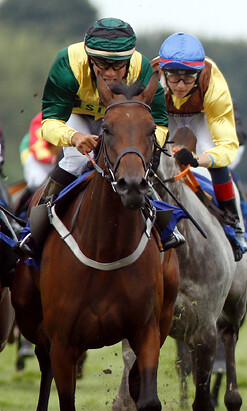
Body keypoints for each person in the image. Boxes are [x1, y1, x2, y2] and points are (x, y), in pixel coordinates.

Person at [15, 17, 180, 257]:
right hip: (78, 116)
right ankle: (32, 230)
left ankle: (163, 224)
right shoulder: (67, 64)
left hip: (123, 119)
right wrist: (74, 138)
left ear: (129, 60)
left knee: (135, 166)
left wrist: (146, 145)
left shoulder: (142, 67)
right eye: (102, 64)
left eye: (118, 65)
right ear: (89, 57)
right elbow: (49, 124)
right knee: (75, 160)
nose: (111, 73)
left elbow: (161, 125)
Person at [152, 32, 247, 261]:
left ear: (199, 73)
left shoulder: (212, 81)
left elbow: (226, 148)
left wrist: (197, 160)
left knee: (213, 157)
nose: (181, 85)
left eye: (189, 78)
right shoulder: (150, 78)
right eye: (174, 78)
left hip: (201, 115)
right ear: (163, 71)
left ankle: (233, 223)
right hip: (164, 115)